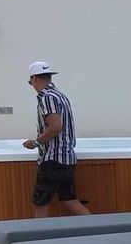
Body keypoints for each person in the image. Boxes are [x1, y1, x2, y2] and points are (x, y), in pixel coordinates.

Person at [22, 61, 90, 218]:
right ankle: (96, 228)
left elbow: (55, 127)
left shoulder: (47, 97)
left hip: (53, 159)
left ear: (34, 79)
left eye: (30, 82)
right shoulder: (60, 95)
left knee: (41, 202)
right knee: (69, 200)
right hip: (66, 158)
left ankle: (41, 234)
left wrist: (35, 143)